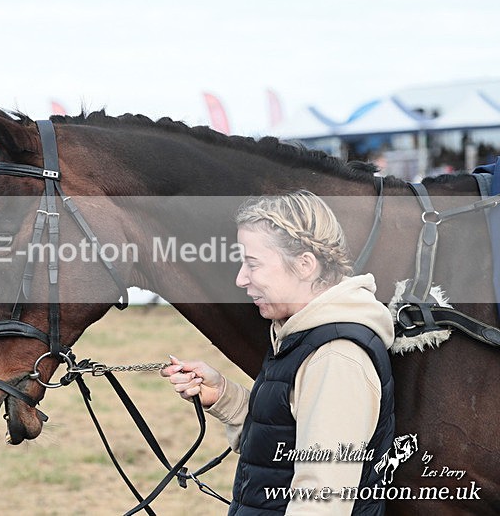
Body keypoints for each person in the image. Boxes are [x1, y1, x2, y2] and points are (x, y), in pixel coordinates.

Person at [161, 190, 395, 515]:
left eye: (252, 264)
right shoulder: (300, 337)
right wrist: (223, 396)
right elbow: (283, 443)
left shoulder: (335, 357)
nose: (241, 278)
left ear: (304, 265)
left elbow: (321, 501)